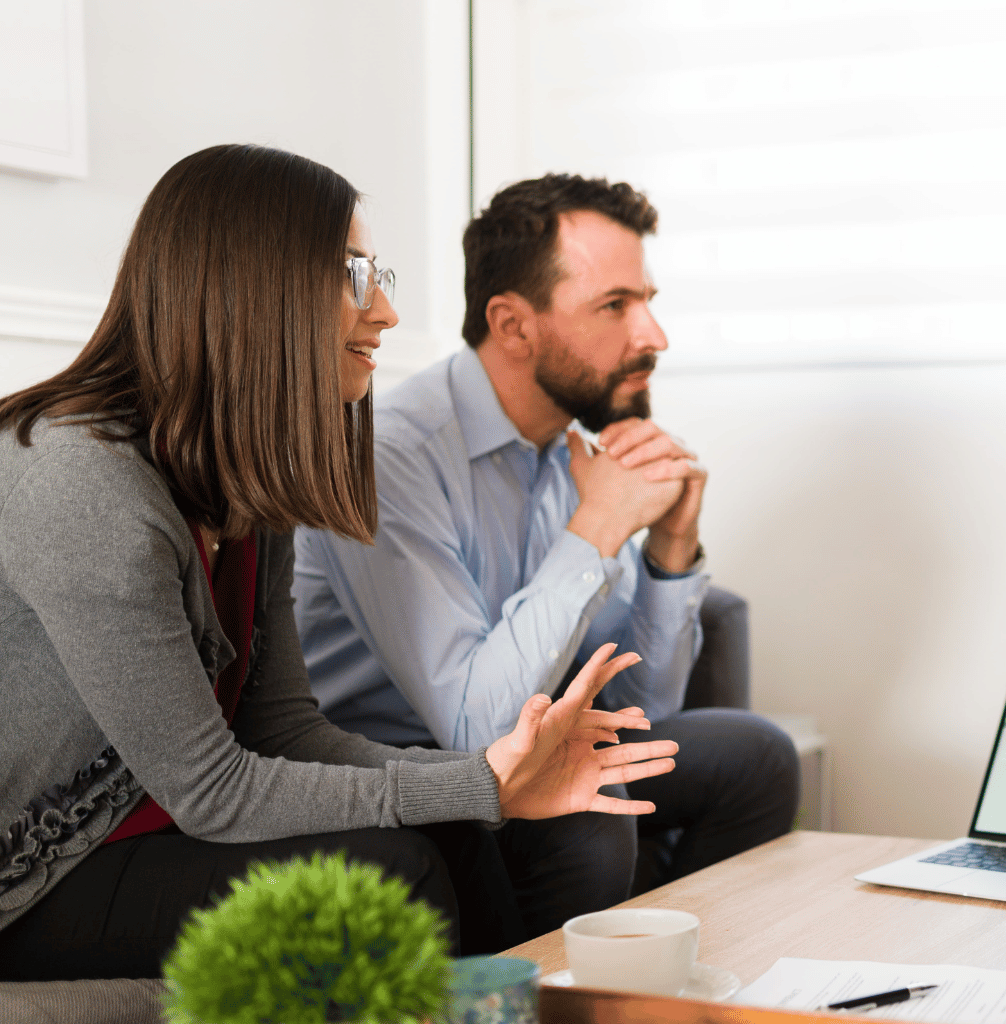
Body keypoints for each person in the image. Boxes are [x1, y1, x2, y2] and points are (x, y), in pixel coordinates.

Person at [0, 144, 680, 979]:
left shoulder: (245, 474)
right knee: (393, 872)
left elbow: (285, 730)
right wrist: (480, 782)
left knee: (452, 831)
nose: (387, 312)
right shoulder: (84, 482)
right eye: (355, 275)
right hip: (38, 877)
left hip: (160, 825)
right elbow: (212, 790)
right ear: (258, 290)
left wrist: (485, 780)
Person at [292, 173, 798, 936]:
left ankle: (675, 993)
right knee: (588, 819)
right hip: (400, 759)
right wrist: (596, 527)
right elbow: (476, 732)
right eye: (615, 306)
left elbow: (644, 710)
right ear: (514, 325)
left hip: (514, 734)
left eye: (648, 302)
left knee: (756, 756)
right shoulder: (388, 457)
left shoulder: (570, 452)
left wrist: (669, 549)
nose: (653, 337)